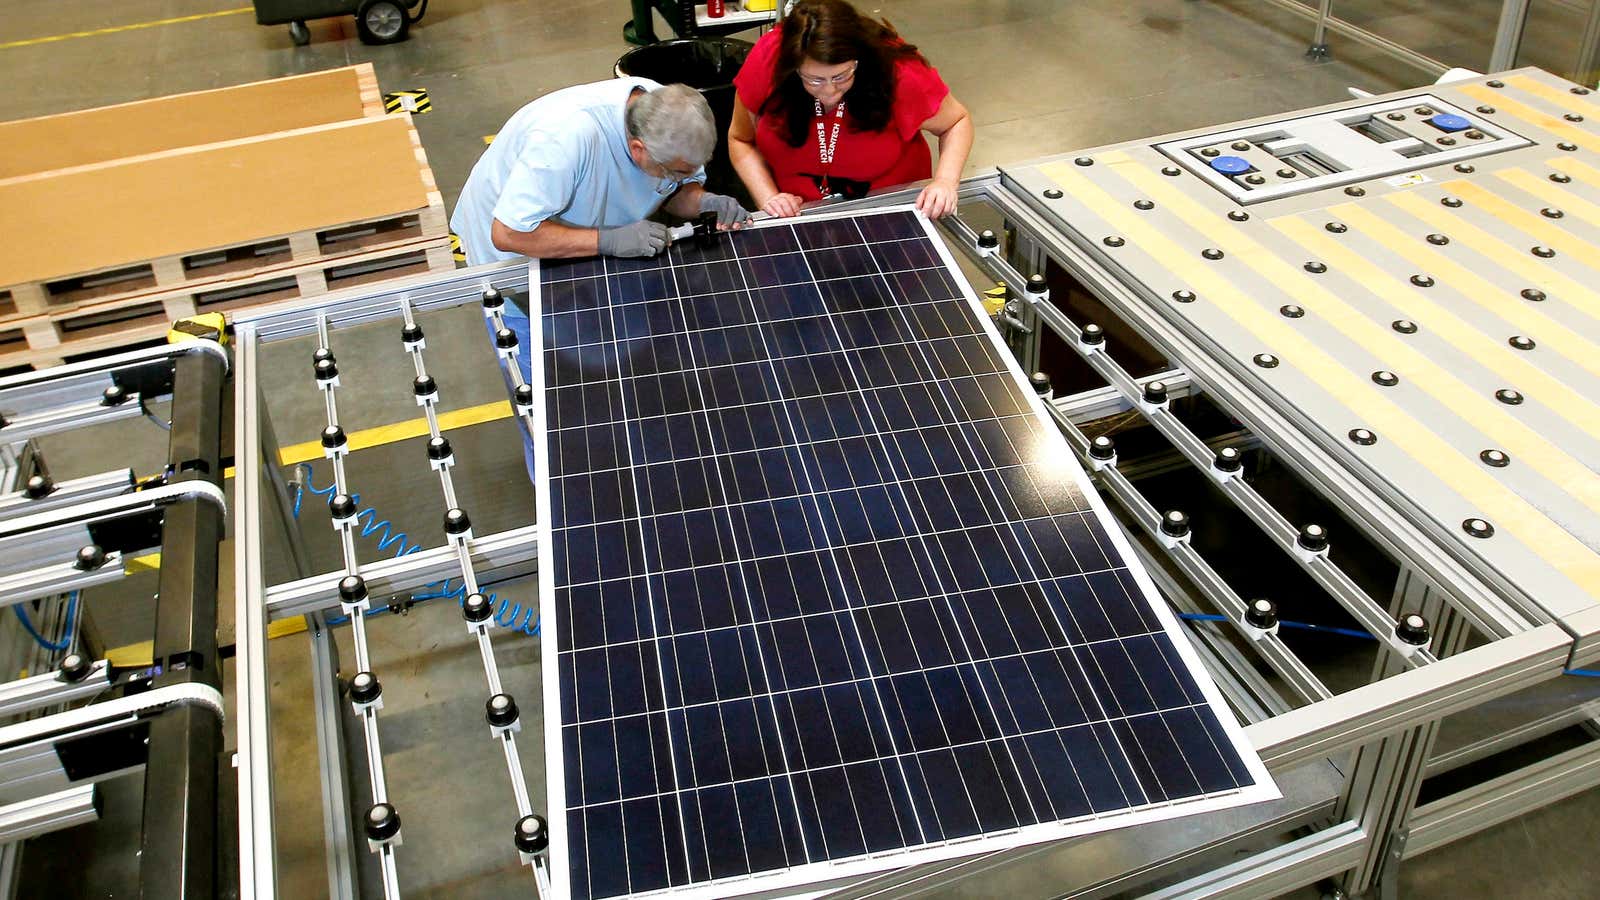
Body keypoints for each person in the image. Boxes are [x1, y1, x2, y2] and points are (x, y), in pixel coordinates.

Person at [450, 78, 751, 479]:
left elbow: (677, 187)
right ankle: (561, 493)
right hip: (516, 262)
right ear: (637, 149)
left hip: (593, 243)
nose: (682, 174)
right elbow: (510, 232)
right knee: (549, 399)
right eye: (675, 168)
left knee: (613, 375)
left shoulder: (672, 113)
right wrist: (607, 240)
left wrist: (703, 201)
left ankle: (629, 472)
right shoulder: (565, 140)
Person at [728, 0, 973, 219]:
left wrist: (945, 182)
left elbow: (956, 122)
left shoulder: (897, 71)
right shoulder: (768, 60)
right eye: (814, 80)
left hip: (891, 206)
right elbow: (740, 140)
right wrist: (770, 200)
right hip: (803, 214)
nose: (829, 91)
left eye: (841, 76)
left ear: (858, 60)